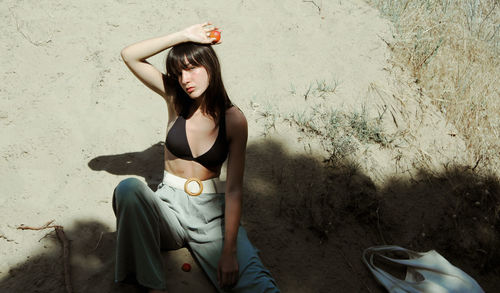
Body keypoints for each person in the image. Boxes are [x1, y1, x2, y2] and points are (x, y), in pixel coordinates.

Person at [112, 22, 280, 293]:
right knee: (128, 189)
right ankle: (149, 285)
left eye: (191, 68)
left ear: (210, 66)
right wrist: (183, 36)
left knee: (262, 288)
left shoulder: (234, 120)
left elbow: (235, 190)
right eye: (179, 73)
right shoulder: (175, 99)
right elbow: (130, 55)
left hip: (210, 217)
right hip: (167, 210)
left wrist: (229, 251)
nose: (185, 80)